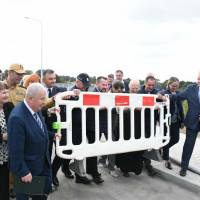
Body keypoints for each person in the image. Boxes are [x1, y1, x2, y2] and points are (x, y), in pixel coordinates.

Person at [7, 83, 61, 200]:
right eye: (42, 99)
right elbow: (15, 149)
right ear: (30, 98)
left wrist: (51, 135)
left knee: (41, 195)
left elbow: (37, 129)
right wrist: (23, 172)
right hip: (28, 171)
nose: (44, 102)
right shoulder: (17, 117)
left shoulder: (34, 108)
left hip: (42, 165)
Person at [158, 72, 200, 177]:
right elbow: (178, 97)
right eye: (198, 79)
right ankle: (184, 167)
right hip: (192, 122)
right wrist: (166, 95)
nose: (199, 81)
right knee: (188, 146)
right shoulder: (191, 88)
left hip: (183, 121)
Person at [42, 69, 71, 187]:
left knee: (63, 151)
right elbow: (38, 109)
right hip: (45, 127)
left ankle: (53, 174)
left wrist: (75, 92)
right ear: (43, 80)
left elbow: (71, 98)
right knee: (47, 154)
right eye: (50, 79)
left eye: (54, 78)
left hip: (60, 126)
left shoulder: (62, 91)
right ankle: (47, 177)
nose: (53, 81)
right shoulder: (40, 92)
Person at [62, 73, 92, 184]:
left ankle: (79, 175)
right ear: (77, 81)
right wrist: (75, 96)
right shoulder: (69, 93)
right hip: (71, 126)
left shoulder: (86, 93)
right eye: (83, 85)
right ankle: (65, 167)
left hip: (82, 125)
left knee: (80, 149)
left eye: (86, 85)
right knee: (68, 150)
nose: (85, 87)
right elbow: (64, 107)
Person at [116, 79, 144, 177]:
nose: (135, 90)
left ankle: (136, 169)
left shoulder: (142, 96)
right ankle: (124, 169)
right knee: (126, 148)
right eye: (133, 88)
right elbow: (120, 108)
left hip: (138, 125)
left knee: (136, 148)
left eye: (137, 88)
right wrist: (133, 106)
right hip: (125, 125)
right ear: (129, 87)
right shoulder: (124, 95)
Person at [98, 80, 124, 178]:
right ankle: (111, 168)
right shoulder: (106, 96)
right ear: (113, 88)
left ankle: (101, 159)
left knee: (110, 143)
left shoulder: (119, 96)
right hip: (103, 124)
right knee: (112, 144)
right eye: (119, 91)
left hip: (113, 124)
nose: (120, 93)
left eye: (121, 91)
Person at [138, 76, 161, 177]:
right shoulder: (139, 92)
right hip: (139, 122)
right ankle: (147, 166)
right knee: (142, 144)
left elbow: (162, 104)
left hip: (152, 123)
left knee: (149, 144)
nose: (151, 87)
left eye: (153, 85)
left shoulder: (158, 93)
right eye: (149, 85)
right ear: (145, 83)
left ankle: (147, 164)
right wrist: (151, 106)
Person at [86, 76, 107, 182]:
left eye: (106, 84)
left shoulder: (105, 94)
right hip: (92, 126)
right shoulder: (93, 93)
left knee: (92, 149)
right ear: (97, 84)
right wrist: (105, 106)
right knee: (93, 149)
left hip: (98, 126)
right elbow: (91, 108)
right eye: (103, 85)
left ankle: (90, 169)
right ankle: (95, 174)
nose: (105, 87)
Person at [162, 77, 184, 170]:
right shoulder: (164, 93)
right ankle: (167, 160)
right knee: (166, 139)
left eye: (177, 86)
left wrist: (182, 120)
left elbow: (181, 108)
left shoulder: (179, 94)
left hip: (175, 121)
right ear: (169, 84)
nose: (175, 88)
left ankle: (163, 149)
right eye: (173, 86)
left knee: (176, 139)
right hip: (166, 121)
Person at [0, 82, 14, 200]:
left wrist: (47, 111)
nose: (6, 95)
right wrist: (1, 137)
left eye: (7, 92)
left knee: (4, 183)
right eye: (3, 92)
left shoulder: (8, 106)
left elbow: (23, 114)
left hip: (5, 154)